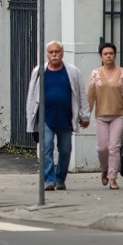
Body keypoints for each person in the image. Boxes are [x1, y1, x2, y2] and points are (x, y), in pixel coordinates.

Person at [25, 41, 90, 191]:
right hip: (46, 118)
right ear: (47, 54)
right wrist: (31, 122)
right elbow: (31, 97)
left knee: (65, 150)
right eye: (51, 52)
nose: (54, 54)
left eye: (57, 51)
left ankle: (60, 178)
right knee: (46, 148)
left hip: (66, 119)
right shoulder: (39, 71)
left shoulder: (73, 72)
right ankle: (49, 180)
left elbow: (81, 94)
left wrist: (85, 116)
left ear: (62, 53)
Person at [86, 41, 123, 190]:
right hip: (101, 115)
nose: (108, 56)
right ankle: (104, 169)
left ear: (115, 55)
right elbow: (90, 96)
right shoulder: (95, 74)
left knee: (114, 147)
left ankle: (113, 178)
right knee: (102, 148)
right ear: (101, 56)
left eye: (111, 54)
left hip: (118, 115)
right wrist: (85, 115)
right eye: (105, 54)